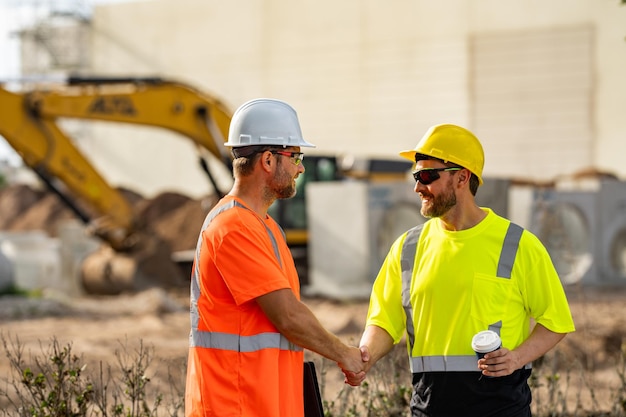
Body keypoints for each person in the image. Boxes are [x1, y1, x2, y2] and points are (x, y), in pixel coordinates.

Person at [346, 124, 576, 417]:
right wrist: (363, 357)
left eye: (427, 176)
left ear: (462, 177)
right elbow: (383, 322)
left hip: (500, 409)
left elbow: (556, 321)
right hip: (428, 408)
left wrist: (517, 358)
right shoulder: (408, 248)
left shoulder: (518, 245)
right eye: (415, 177)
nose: (417, 186)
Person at [184, 98, 365, 417]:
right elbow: (289, 316)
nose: (300, 167)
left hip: (262, 402)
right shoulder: (232, 227)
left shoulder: (264, 227)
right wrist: (343, 354)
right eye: (295, 156)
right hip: (236, 405)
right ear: (268, 160)